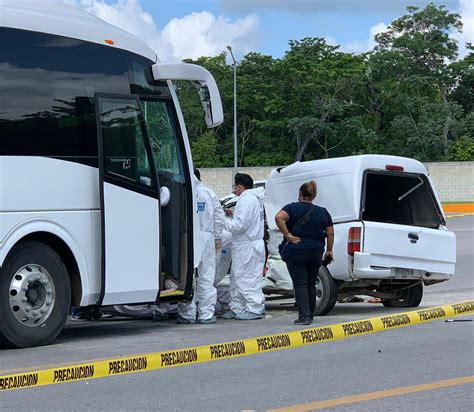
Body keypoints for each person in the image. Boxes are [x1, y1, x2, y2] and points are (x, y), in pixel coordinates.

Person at [275, 180, 334, 325]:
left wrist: (288, 235)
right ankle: (311, 314)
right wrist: (330, 250)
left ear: (300, 194)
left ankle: (304, 316)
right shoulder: (323, 211)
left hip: (296, 250)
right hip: (316, 251)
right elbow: (330, 233)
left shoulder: (291, 208)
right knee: (310, 283)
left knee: (300, 283)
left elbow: (278, 217)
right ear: (314, 196)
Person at [177, 168, 225, 324]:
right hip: (207, 237)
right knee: (206, 275)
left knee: (187, 276)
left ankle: (187, 314)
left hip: (188, 237)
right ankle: (206, 314)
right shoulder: (209, 193)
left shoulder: (183, 192)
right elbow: (219, 217)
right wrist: (217, 237)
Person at [222, 173, 265, 320]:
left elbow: (239, 226)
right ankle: (237, 308)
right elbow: (245, 220)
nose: (234, 189)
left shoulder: (246, 199)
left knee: (247, 278)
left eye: (235, 186)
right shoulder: (253, 199)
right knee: (237, 277)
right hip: (245, 245)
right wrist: (232, 215)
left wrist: (223, 221)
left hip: (247, 246)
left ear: (240, 186)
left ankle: (255, 308)